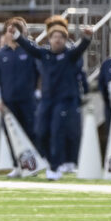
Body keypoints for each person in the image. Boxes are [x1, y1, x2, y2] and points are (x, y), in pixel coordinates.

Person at [14, 15, 93, 180]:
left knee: (57, 131)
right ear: (49, 39)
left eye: (61, 37)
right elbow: (30, 47)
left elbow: (81, 48)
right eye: (54, 37)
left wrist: (87, 37)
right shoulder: (44, 54)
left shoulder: (70, 55)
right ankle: (49, 161)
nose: (57, 40)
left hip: (63, 101)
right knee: (40, 131)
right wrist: (17, 36)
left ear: (65, 40)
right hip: (47, 100)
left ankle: (55, 167)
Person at [0, 17, 39, 178]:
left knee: (30, 132)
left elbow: (41, 74)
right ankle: (17, 166)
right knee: (12, 136)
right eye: (11, 30)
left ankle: (32, 166)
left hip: (28, 101)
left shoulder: (31, 51)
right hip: (8, 102)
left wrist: (38, 93)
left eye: (18, 29)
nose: (14, 33)